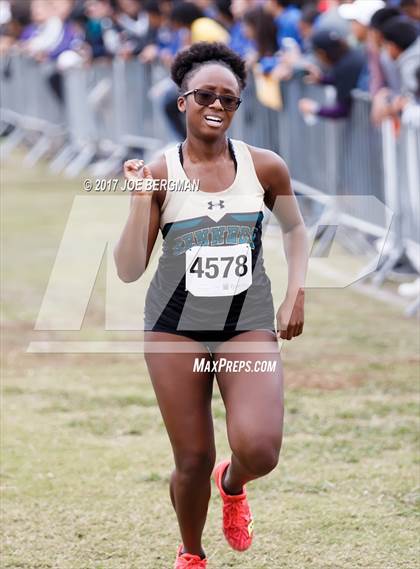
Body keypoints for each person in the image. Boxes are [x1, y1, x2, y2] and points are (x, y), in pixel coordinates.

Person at [114, 41, 308, 569]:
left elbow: (296, 230)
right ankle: (192, 553)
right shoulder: (158, 173)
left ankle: (234, 482)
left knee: (261, 449)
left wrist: (295, 291)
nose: (217, 105)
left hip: (245, 321)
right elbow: (129, 267)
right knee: (192, 457)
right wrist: (137, 203)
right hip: (175, 326)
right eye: (205, 95)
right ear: (182, 101)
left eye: (229, 98)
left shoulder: (264, 168)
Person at [299, 28, 365, 119]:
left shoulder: (343, 68)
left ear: (322, 53)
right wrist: (322, 80)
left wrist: (314, 108)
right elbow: (344, 81)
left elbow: (342, 110)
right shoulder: (353, 55)